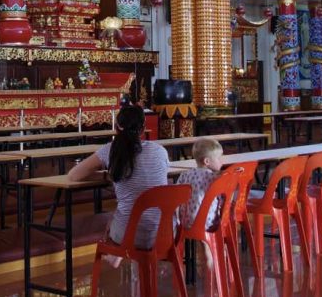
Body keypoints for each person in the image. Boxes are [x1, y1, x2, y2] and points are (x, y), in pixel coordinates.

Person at [67, 106, 169, 257]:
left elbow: (73, 175)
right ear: (143, 128)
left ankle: (115, 257)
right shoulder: (160, 151)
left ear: (117, 127)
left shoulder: (110, 150)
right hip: (164, 233)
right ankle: (135, 268)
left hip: (128, 234)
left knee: (112, 219)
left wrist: (108, 175)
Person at [175, 138, 224, 268]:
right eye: (219, 158)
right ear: (207, 161)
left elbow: (177, 194)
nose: (222, 161)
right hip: (209, 222)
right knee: (216, 211)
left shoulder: (185, 174)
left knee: (197, 211)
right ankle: (215, 247)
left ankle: (205, 247)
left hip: (185, 221)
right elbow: (222, 197)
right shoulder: (213, 178)